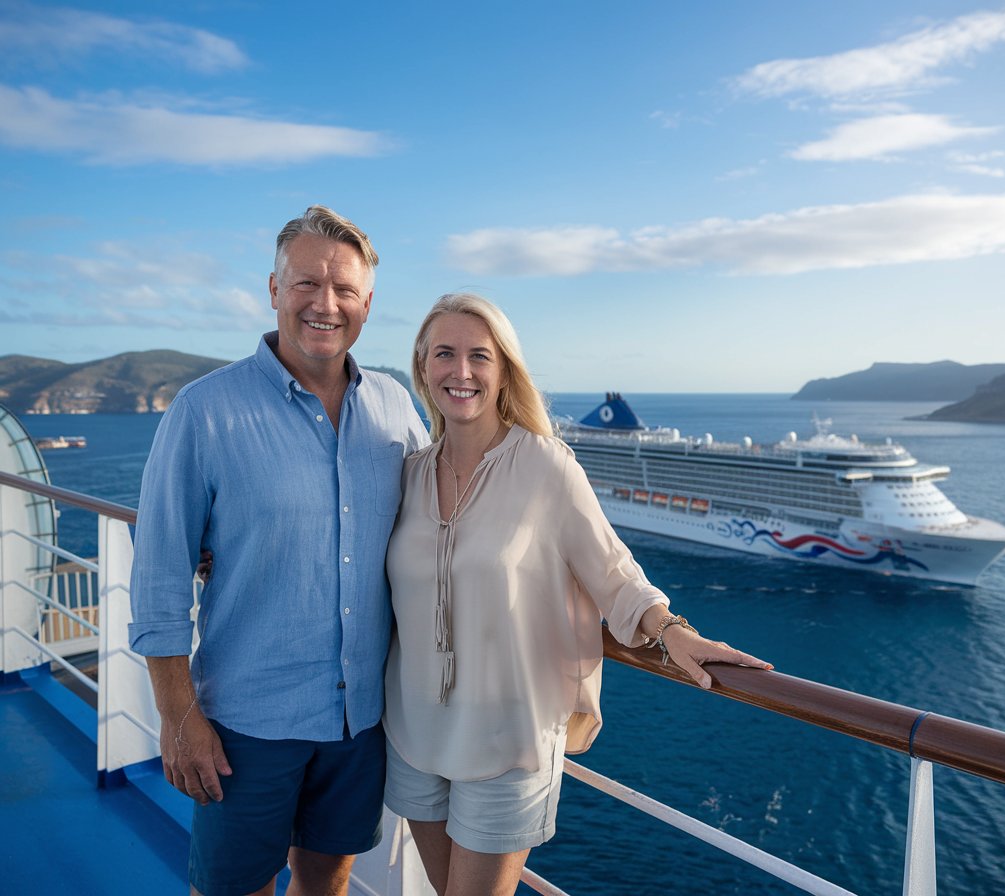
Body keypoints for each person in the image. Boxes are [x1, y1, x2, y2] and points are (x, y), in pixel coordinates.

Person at [382, 293, 772, 896]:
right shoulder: (408, 473)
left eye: (479, 356)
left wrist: (673, 632)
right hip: (411, 735)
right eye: (445, 354)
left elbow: (614, 573)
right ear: (422, 367)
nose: (461, 371)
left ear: (504, 370)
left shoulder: (544, 466)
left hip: (507, 741)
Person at [128, 205, 428, 896]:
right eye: (306, 284)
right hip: (246, 724)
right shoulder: (203, 412)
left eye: (344, 289)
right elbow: (160, 578)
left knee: (326, 882)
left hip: (361, 722)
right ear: (273, 289)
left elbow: (445, 519)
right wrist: (178, 717)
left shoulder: (393, 407)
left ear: (367, 303)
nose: (325, 304)